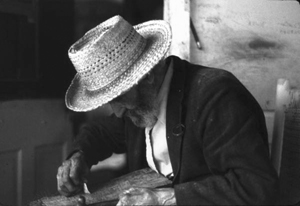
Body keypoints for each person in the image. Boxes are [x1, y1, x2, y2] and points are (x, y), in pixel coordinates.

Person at [56, 15, 279, 205]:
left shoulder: (216, 95)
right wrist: (79, 157)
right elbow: (100, 133)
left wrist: (163, 198)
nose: (118, 112)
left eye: (119, 97)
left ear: (146, 76)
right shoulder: (138, 104)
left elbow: (257, 185)